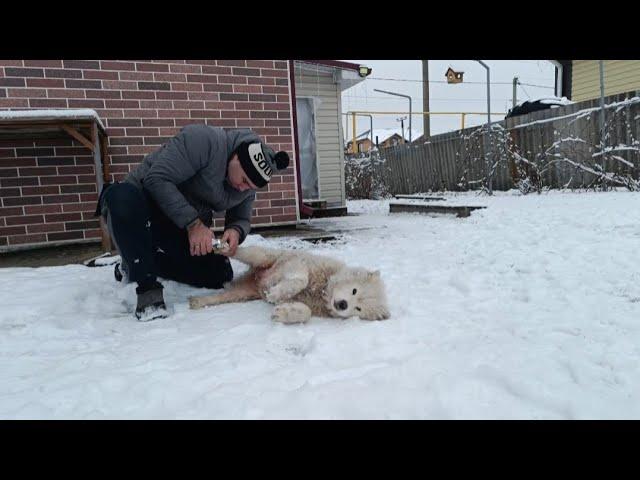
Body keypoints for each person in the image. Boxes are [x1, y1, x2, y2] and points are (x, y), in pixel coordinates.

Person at [97, 124, 290, 321]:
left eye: (250, 187)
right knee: (120, 196)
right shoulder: (203, 141)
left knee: (219, 273)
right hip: (140, 209)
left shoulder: (246, 187)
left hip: (176, 223)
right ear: (236, 157)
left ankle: (138, 262)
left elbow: (241, 217)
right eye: (244, 180)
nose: (244, 188)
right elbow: (157, 179)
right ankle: (146, 284)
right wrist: (194, 224)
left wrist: (235, 231)